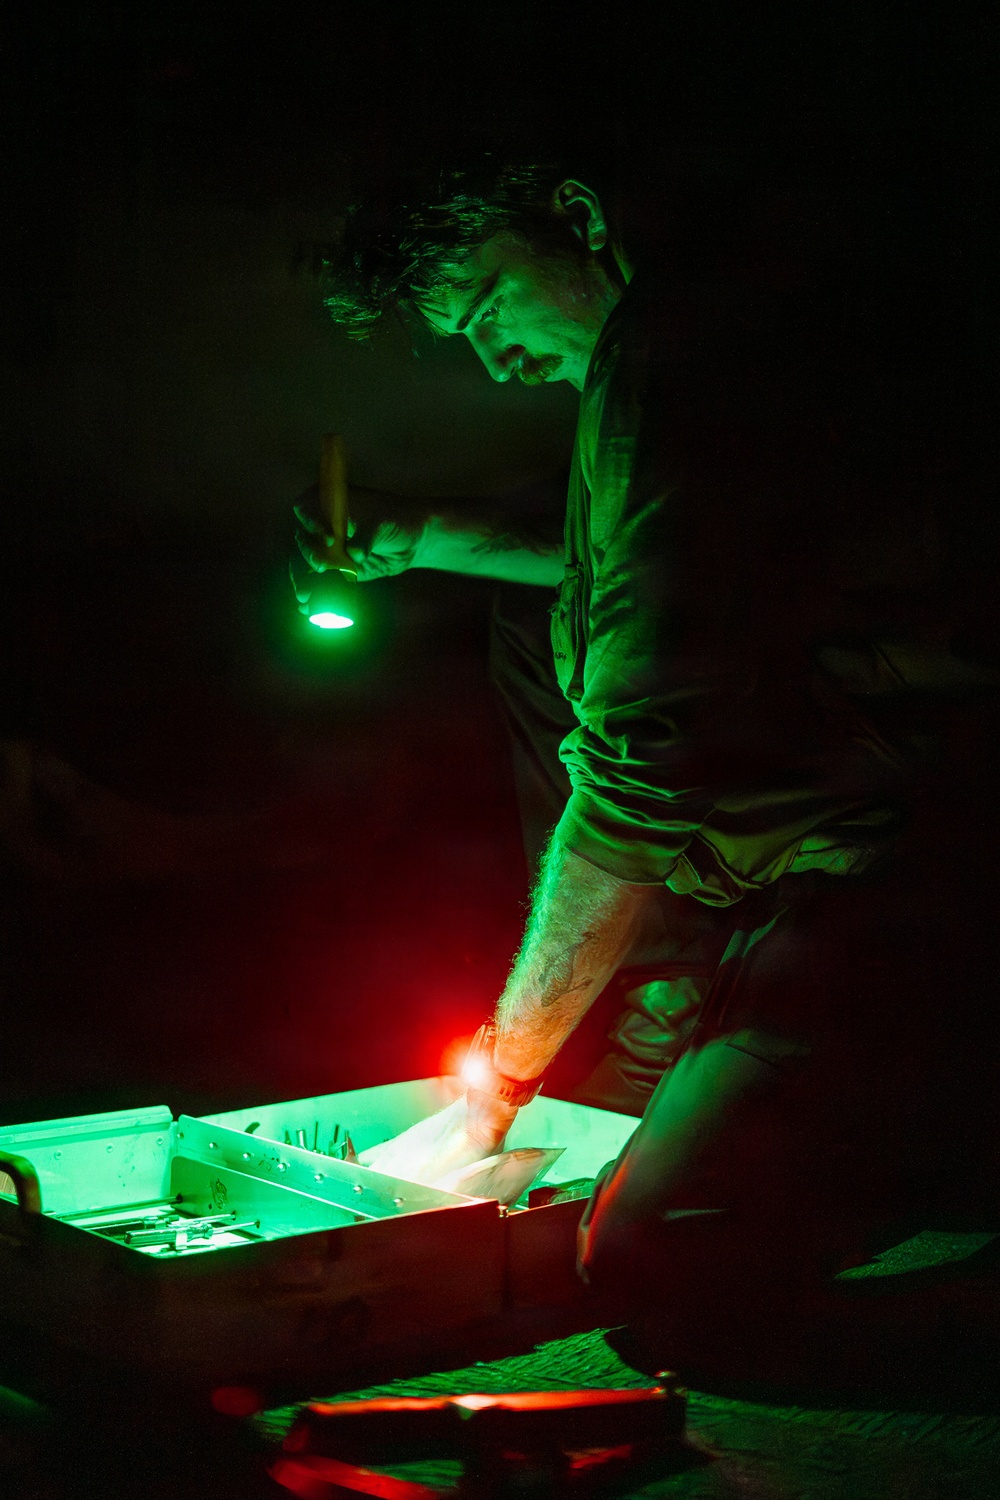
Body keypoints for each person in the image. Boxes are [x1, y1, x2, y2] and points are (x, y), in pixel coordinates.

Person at [293, 157, 1000, 1388]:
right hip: (826, 837)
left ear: (575, 217)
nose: (495, 362)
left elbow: (642, 764)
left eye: (489, 307)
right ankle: (695, 1012)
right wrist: (429, 535)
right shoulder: (687, 341)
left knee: (654, 1269)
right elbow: (644, 583)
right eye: (464, 339)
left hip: (908, 857)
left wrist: (504, 1070)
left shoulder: (677, 354)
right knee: (530, 631)